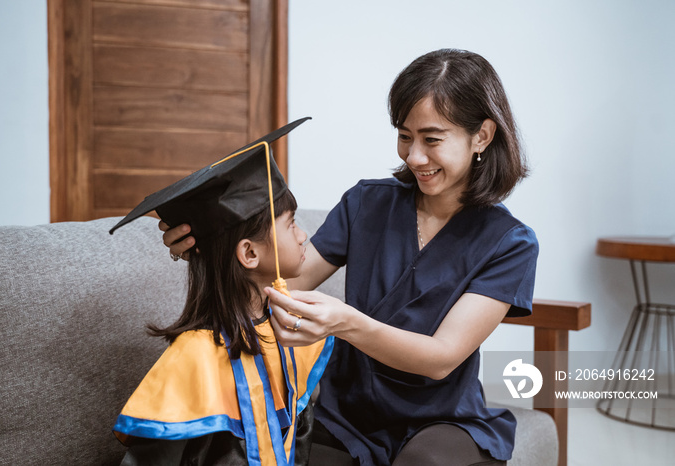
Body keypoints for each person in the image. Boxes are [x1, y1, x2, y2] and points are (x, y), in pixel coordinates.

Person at [161, 49, 539, 466]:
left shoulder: (510, 242)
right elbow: (285, 284)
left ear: (482, 136)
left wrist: (347, 323)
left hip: (443, 421)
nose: (413, 156)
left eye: (432, 139)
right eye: (404, 135)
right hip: (344, 416)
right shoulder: (366, 203)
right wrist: (211, 248)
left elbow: (441, 358)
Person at [110, 119, 334, 466]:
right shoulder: (192, 362)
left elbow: (298, 443)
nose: (304, 236)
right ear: (249, 254)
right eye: (291, 223)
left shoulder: (291, 334)